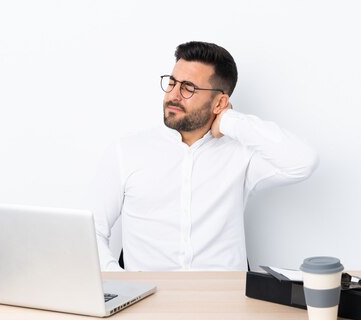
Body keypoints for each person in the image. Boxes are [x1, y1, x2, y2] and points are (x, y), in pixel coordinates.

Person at [93, 41, 318, 271]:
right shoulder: (126, 151)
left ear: (219, 102)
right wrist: (119, 281)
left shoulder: (240, 154)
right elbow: (92, 230)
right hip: (149, 300)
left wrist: (231, 121)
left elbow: (303, 162)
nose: (173, 95)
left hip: (226, 300)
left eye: (188, 88)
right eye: (171, 83)